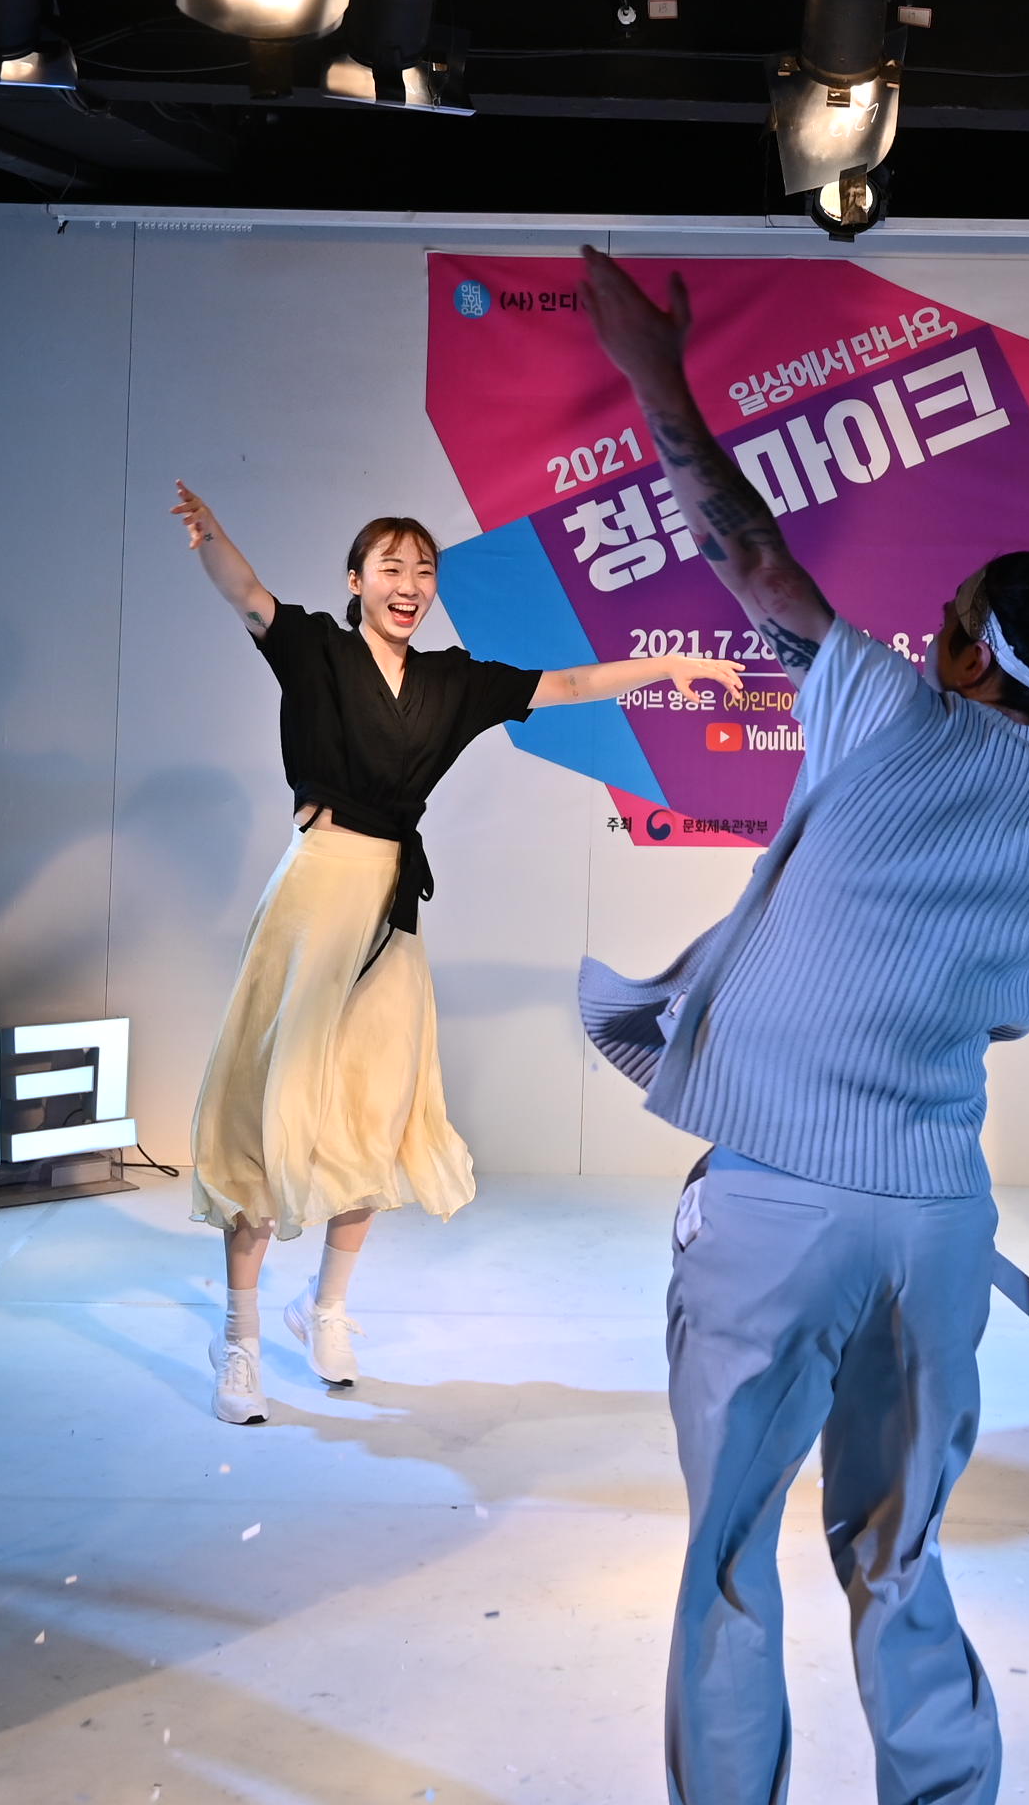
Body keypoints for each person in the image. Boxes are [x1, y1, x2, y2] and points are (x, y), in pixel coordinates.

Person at [565, 245, 1029, 1805]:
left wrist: (651, 372)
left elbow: (746, 545)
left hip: (780, 1210)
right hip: (935, 1229)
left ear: (969, 650)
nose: (931, 625)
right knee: (897, 1552)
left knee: (731, 1560)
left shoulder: (882, 707)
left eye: (952, 614)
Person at [172, 480, 746, 1424]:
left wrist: (669, 665)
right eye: (390, 568)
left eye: (423, 571)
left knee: (376, 1106)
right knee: (271, 1107)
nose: (409, 585)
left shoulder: (450, 682)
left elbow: (564, 686)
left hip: (389, 909)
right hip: (315, 896)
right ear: (356, 581)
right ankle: (237, 1338)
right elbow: (247, 595)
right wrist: (212, 535)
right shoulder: (316, 650)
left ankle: (327, 1309)